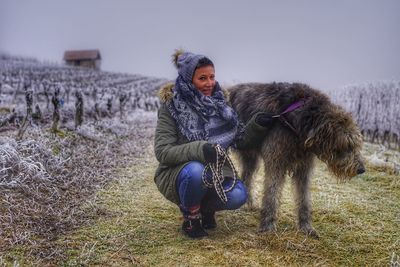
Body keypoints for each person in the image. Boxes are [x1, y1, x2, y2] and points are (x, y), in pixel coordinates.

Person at [154, 50, 275, 239]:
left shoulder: (220, 105)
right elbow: (163, 152)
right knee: (195, 172)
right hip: (180, 172)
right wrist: (201, 149)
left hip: (216, 172)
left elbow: (240, 140)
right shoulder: (171, 107)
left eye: (212, 77)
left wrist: (258, 125)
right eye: (202, 78)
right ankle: (191, 219)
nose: (209, 83)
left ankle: (205, 209)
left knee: (238, 196)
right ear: (188, 79)